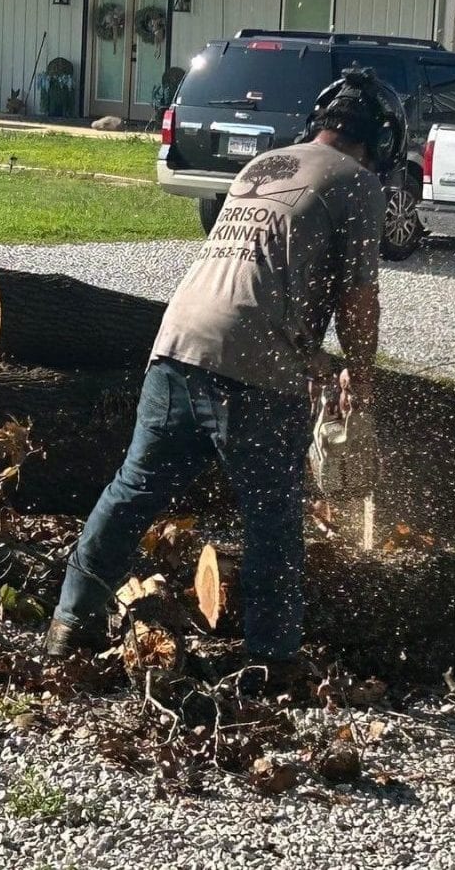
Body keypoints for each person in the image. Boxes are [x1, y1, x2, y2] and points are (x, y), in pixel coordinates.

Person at [46, 68, 402, 674]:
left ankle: (69, 623)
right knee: (271, 516)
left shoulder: (263, 166)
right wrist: (361, 377)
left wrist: (317, 359)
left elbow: (256, 277)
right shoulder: (359, 184)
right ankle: (272, 660)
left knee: (134, 491)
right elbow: (358, 298)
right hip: (251, 370)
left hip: (179, 342)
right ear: (382, 138)